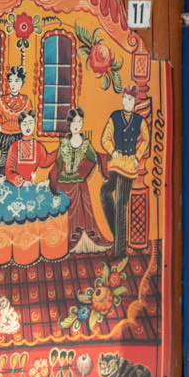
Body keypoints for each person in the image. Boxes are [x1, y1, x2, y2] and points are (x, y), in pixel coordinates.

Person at [51, 106, 112, 254]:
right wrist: (52, 182)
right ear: (69, 125)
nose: (77, 125)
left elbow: (95, 157)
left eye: (79, 122)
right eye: (74, 122)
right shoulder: (64, 143)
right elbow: (58, 164)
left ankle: (83, 241)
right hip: (63, 183)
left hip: (78, 183)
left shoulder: (86, 144)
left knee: (84, 207)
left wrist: (83, 171)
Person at [99, 89, 144, 257]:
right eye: (124, 98)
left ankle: (119, 251)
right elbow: (105, 138)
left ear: (135, 102)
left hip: (129, 167)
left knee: (120, 202)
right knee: (104, 192)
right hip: (116, 164)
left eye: (130, 99)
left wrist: (138, 156)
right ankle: (118, 236)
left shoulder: (139, 120)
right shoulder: (115, 117)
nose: (126, 102)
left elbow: (146, 139)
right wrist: (112, 150)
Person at [0, 65, 32, 173]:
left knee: (18, 164)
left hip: (19, 136)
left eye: (17, 81)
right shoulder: (2, 100)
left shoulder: (26, 100)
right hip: (4, 136)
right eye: (11, 81)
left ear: (22, 82)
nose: (13, 84)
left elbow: (29, 119)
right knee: (1, 163)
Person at [3, 111, 48, 184]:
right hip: (16, 186)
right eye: (24, 124)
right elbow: (9, 171)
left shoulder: (39, 146)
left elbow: (45, 162)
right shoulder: (14, 146)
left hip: (32, 184)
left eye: (30, 123)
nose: (28, 127)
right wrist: (22, 182)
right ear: (20, 126)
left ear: (34, 124)